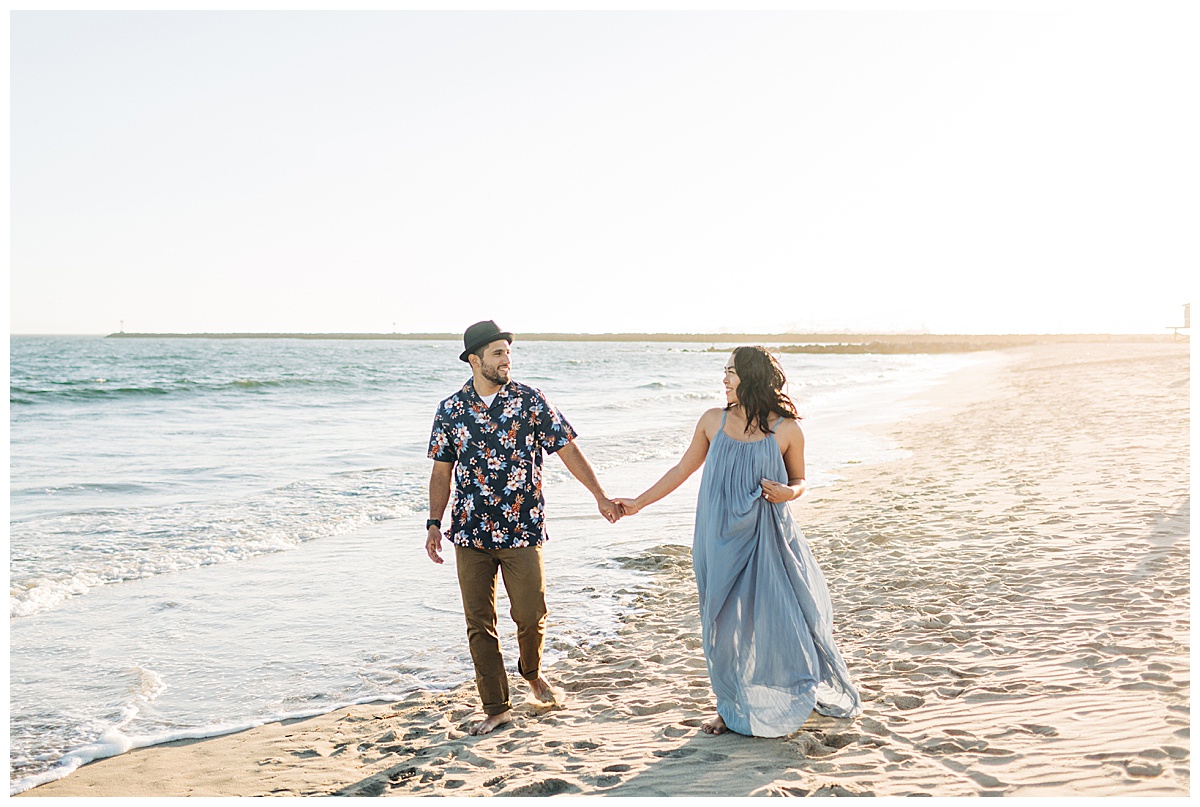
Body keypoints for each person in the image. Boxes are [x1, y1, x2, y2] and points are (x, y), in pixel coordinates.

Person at [615, 346, 862, 737]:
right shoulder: (712, 421)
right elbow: (682, 469)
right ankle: (729, 706)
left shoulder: (787, 430)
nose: (725, 380)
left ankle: (796, 689)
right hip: (716, 536)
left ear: (752, 376)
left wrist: (789, 492)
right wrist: (637, 504)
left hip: (767, 536)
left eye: (731, 372)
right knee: (720, 625)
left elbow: (799, 481)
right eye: (724, 372)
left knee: (780, 617)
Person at [426, 320, 622, 736]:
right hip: (470, 532)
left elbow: (568, 449)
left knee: (531, 615)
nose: (507, 360)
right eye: (498, 353)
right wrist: (432, 524)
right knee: (480, 623)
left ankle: (531, 672)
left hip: (523, 528)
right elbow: (441, 473)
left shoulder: (529, 401)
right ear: (475, 360)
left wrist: (600, 496)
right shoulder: (450, 409)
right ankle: (496, 706)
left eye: (508, 352)